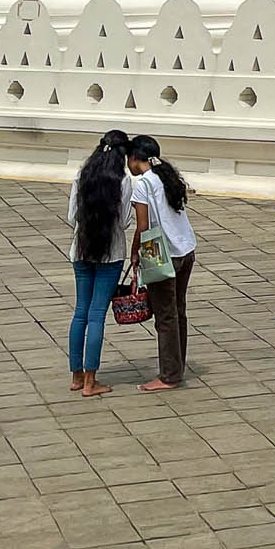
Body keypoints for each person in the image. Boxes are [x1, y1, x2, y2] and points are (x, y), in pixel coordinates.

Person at [127, 135, 197, 392]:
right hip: (186, 249)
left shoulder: (144, 183)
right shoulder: (166, 176)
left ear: (135, 158)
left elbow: (142, 227)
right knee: (178, 311)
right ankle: (176, 366)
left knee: (165, 316)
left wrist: (135, 253)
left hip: (163, 254)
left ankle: (169, 375)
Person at [66, 129, 133, 397]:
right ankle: (91, 381)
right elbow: (125, 221)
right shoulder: (123, 182)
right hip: (110, 253)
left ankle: (76, 375)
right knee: (96, 315)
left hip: (81, 250)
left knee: (80, 311)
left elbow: (73, 216)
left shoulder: (81, 176)